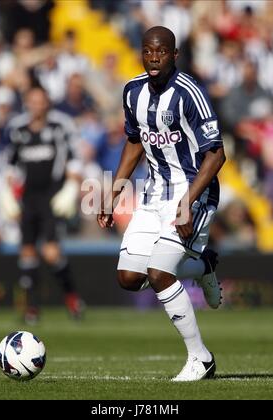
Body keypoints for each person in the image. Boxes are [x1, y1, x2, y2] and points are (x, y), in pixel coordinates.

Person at [97, 26, 226, 381]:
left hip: (191, 193)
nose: (154, 58)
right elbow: (134, 143)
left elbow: (216, 156)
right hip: (154, 194)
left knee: (159, 274)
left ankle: (201, 359)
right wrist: (113, 191)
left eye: (162, 52)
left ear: (174, 55)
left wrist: (187, 204)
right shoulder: (132, 91)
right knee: (128, 277)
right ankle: (204, 267)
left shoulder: (190, 93)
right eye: (148, 51)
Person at [1, 86, 84, 324]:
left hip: (52, 196)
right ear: (27, 103)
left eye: (41, 101)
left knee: (50, 252)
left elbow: (74, 160)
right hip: (28, 198)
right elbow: (10, 164)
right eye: (32, 101)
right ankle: (31, 308)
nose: (37, 105)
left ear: (47, 103)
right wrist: (8, 194)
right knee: (27, 252)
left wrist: (70, 188)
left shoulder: (60, 127)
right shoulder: (18, 129)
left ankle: (72, 297)